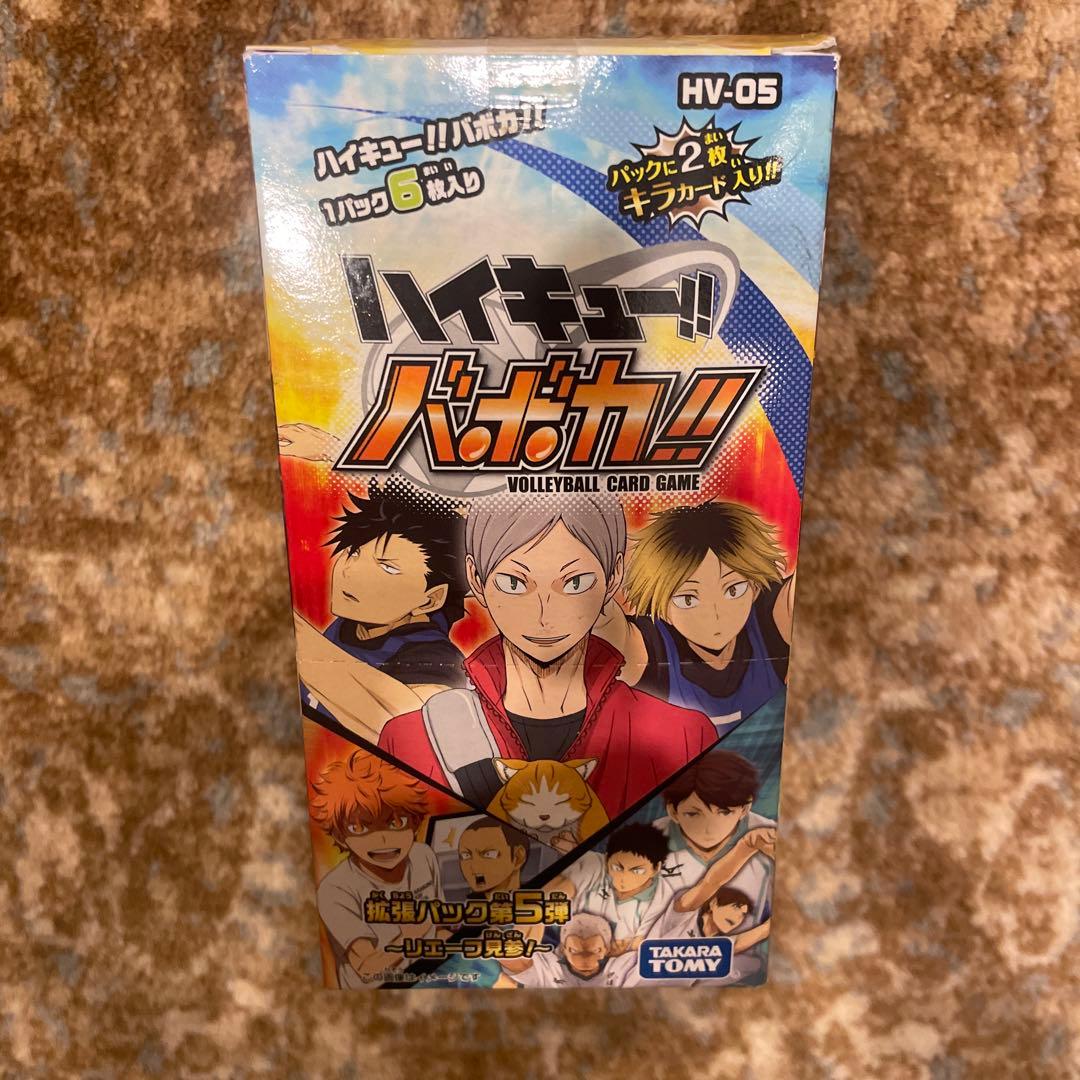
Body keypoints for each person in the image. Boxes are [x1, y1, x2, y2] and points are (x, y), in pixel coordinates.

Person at [378, 495, 717, 818]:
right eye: (514, 583)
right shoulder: (412, 740)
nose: (544, 615)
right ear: (476, 579)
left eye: (574, 583)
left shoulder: (685, 737)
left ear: (613, 577)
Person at [596, 500, 795, 734]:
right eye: (688, 599)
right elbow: (602, 621)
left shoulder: (769, 618)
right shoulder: (651, 647)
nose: (715, 613)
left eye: (733, 590)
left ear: (754, 588)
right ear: (661, 606)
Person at [294, 479, 467, 742]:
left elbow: (412, 730)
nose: (350, 572)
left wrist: (303, 641)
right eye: (353, 552)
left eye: (387, 567)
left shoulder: (435, 659)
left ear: (430, 599)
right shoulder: (349, 625)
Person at [309, 749, 441, 988]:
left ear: (415, 822)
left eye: (396, 822)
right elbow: (367, 968)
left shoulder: (424, 856)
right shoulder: (335, 890)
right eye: (359, 828)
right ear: (340, 837)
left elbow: (439, 927)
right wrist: (407, 938)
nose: (382, 840)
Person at [545, 823, 675, 956]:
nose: (624, 877)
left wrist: (621, 950)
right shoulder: (593, 864)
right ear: (607, 859)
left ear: (656, 868)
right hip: (563, 950)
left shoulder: (662, 897)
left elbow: (640, 947)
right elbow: (557, 890)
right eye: (617, 868)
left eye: (637, 871)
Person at [499, 913, 626, 988]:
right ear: (563, 949)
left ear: (607, 949)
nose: (584, 960)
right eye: (574, 950)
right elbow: (511, 958)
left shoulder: (622, 968)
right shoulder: (549, 968)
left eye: (595, 950)